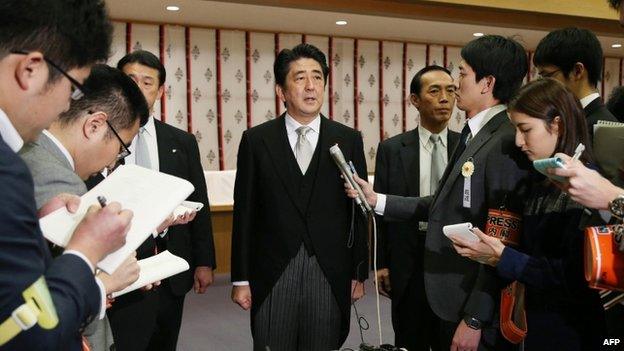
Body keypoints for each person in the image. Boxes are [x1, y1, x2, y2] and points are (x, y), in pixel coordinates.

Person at [348, 35, 530, 351]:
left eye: (462, 74)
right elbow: (441, 202)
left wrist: (475, 317)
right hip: (448, 295)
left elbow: (499, 243)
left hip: (471, 304)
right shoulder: (476, 135)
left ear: (486, 83)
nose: (456, 85)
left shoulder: (503, 141)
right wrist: (379, 200)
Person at [0, 1, 134, 350]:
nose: (66, 106)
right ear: (31, 69)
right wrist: (85, 250)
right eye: (74, 88)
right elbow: (27, 331)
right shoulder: (6, 170)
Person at [450, 78, 607, 350]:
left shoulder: (589, 187)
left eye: (526, 130)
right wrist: (495, 254)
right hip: (534, 324)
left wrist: (503, 257)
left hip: (571, 331)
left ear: (556, 124)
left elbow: (574, 278)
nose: (519, 141)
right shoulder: (540, 180)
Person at [231, 43, 369, 351]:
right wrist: (240, 278)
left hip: (329, 269)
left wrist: (359, 272)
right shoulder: (256, 140)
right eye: (300, 78)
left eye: (318, 77)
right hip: (274, 269)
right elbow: (245, 213)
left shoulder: (348, 139)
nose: (311, 86)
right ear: (281, 90)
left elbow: (357, 212)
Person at [20, 64, 150, 351]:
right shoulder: (61, 181)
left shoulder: (25, 151)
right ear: (94, 125)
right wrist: (107, 282)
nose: (114, 161)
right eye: (121, 147)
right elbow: (52, 299)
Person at [109, 50, 216, 351]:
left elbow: (199, 200)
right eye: (131, 80)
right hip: (119, 269)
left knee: (164, 342)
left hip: (171, 270)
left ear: (160, 90)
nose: (140, 88)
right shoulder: (105, 136)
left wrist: (205, 262)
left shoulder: (180, 142)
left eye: (148, 82)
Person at [373, 65, 460, 351]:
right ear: (415, 100)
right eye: (434, 91)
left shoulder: (467, 147)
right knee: (410, 339)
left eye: (450, 90)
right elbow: (381, 210)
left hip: (452, 261)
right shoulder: (392, 149)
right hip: (407, 260)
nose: (445, 98)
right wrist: (381, 262)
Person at [533, 27, 618, 132]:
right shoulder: (569, 117)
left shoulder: (603, 130)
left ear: (577, 71)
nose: (544, 85)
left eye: (547, 76)